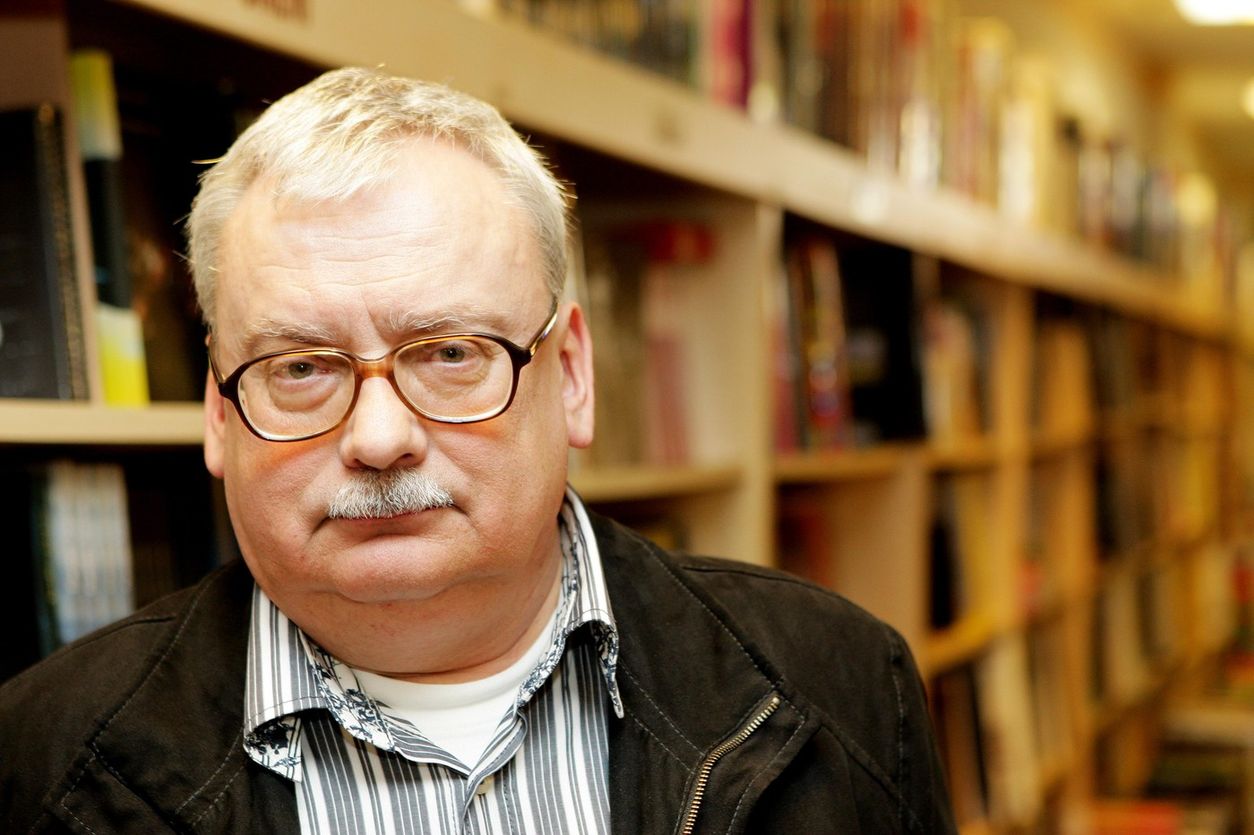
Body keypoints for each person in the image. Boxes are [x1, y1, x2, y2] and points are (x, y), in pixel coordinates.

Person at [0, 67, 956, 833]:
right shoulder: (36, 760)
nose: (379, 438)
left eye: (450, 353)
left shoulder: (842, 688)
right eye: (301, 368)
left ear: (571, 376)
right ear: (218, 411)